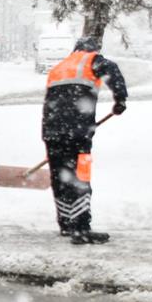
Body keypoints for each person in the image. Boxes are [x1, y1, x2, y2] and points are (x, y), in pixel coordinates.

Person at [41, 36, 128, 245]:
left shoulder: (59, 66)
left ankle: (66, 224)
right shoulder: (91, 60)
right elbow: (112, 70)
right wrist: (120, 99)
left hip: (51, 130)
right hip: (77, 131)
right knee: (80, 175)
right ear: (93, 49)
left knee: (60, 176)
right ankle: (80, 228)